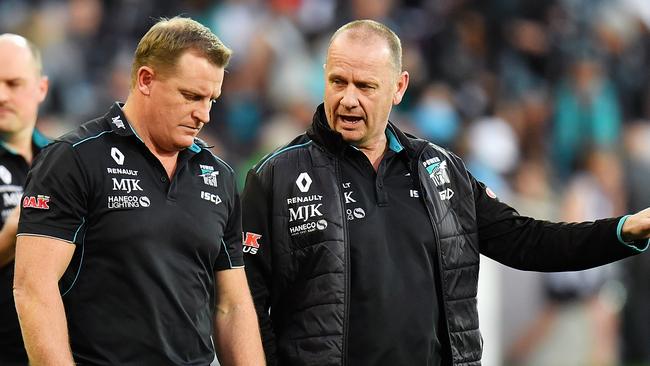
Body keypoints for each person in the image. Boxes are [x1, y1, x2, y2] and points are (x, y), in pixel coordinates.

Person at [240, 19, 650, 366]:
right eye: (337, 81)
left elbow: (528, 241)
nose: (348, 98)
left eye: (365, 86)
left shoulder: (442, 170)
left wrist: (624, 231)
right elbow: (246, 305)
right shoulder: (276, 175)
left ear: (399, 88)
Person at [13, 17, 264, 366]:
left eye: (212, 100)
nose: (203, 114)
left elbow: (232, 305)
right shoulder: (75, 158)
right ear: (146, 80)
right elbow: (33, 288)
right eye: (191, 95)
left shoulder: (219, 175)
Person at [0, 33, 50, 365]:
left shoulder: (64, 162)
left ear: (41, 89)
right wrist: (11, 234)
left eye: (14, 83)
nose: (1, 95)